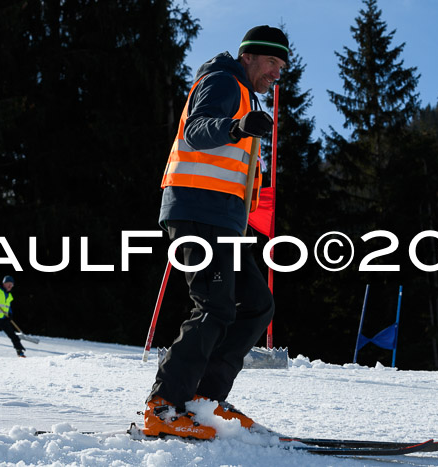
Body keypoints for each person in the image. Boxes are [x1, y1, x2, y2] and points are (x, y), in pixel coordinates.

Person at [144, 25, 288, 439]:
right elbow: (197, 129)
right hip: (196, 210)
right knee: (214, 306)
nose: (277, 74)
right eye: (272, 63)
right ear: (250, 57)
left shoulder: (247, 95)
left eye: (281, 67)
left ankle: (204, 402)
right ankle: (165, 405)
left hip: (222, 218)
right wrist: (238, 126)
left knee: (257, 305)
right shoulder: (224, 80)